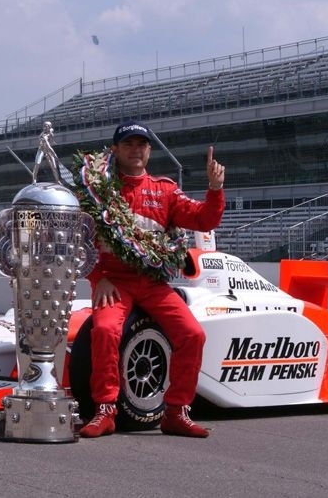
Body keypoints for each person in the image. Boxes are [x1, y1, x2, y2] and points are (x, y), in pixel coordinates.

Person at [74, 120, 225, 439]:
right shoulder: (98, 190)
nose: (135, 150)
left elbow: (203, 219)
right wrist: (98, 277)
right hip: (113, 280)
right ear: (114, 150)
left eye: (141, 144)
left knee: (193, 334)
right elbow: (81, 242)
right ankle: (105, 410)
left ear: (149, 151)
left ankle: (175, 412)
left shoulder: (165, 189)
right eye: (128, 144)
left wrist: (214, 189)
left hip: (152, 282)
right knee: (103, 330)